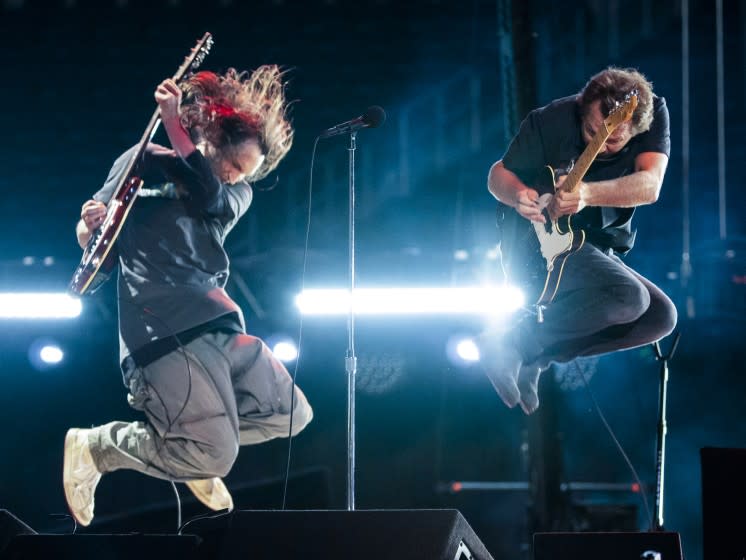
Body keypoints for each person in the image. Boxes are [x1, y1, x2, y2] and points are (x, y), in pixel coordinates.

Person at [63, 65, 313, 527]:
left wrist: (174, 121)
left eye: (247, 173)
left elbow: (206, 189)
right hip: (162, 326)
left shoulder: (235, 196)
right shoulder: (140, 159)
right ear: (214, 139)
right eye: (236, 165)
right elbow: (91, 241)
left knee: (291, 413)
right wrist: (90, 221)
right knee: (216, 456)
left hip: (216, 320)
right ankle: (98, 446)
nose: (239, 178)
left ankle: (189, 446)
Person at [483, 66, 677, 415]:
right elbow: (498, 175)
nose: (598, 144)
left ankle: (535, 355)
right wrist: (519, 196)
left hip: (594, 245)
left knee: (661, 318)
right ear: (582, 107)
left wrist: (587, 194)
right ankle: (509, 342)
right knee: (629, 297)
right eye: (591, 131)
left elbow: (651, 185)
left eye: (613, 140)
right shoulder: (551, 119)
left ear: (637, 129)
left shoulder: (652, 112)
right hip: (536, 241)